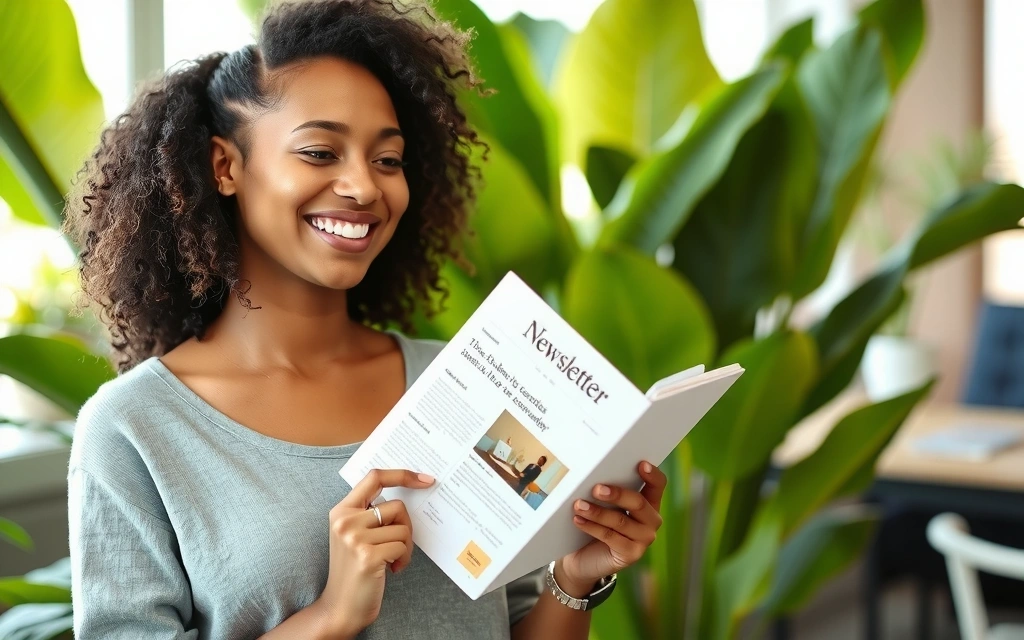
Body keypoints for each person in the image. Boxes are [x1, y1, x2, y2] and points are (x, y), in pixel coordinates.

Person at [63, 1, 668, 638]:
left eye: (387, 159)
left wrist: (574, 578)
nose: (363, 187)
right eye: (321, 152)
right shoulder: (134, 431)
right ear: (225, 167)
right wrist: (329, 618)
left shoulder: (457, 380)